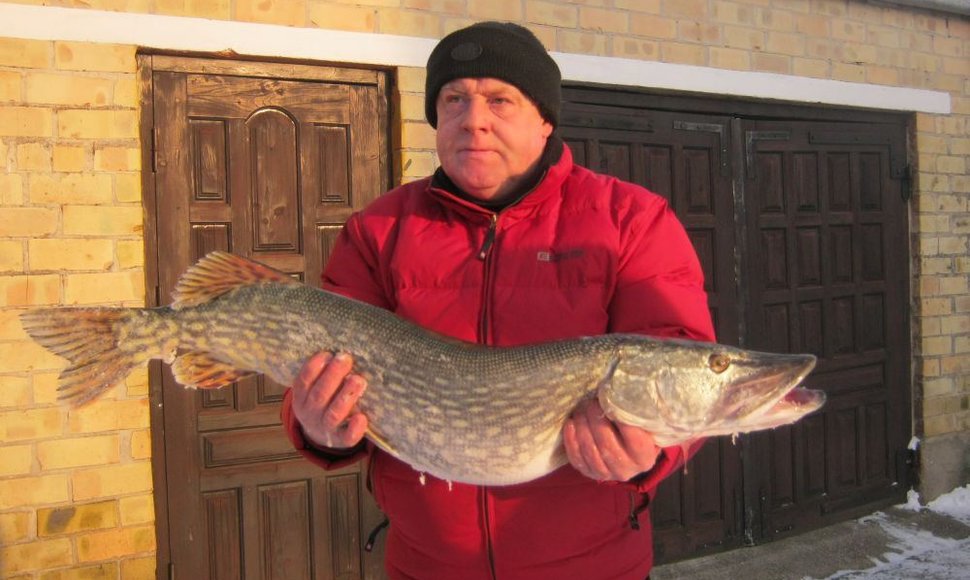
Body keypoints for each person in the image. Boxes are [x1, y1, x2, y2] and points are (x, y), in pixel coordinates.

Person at [281, 21, 716, 580]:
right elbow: (314, 362)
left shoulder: (630, 220)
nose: (474, 119)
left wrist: (652, 455)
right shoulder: (378, 229)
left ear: (544, 120)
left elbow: (682, 372)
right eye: (454, 99)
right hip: (425, 566)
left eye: (500, 100)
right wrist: (317, 425)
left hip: (592, 568)